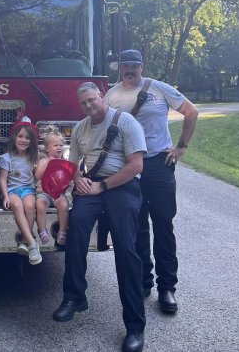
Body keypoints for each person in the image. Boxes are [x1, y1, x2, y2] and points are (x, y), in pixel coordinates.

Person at [52, 82, 148, 352]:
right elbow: (72, 164)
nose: (89, 106)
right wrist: (78, 179)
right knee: (76, 227)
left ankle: (135, 327)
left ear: (102, 97)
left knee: (126, 249)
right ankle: (74, 298)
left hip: (121, 186)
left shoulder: (125, 122)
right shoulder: (81, 127)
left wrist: (103, 186)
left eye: (92, 100)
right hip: (92, 185)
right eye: (84, 103)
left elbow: (136, 165)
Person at [105, 49, 198, 315]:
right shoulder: (111, 95)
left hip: (159, 163)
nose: (130, 70)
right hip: (128, 166)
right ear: (119, 69)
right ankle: (144, 281)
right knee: (136, 227)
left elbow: (191, 113)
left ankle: (167, 287)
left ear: (142, 67)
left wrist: (181, 146)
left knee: (163, 225)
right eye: (125, 66)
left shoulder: (159, 89)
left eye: (135, 65)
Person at [0, 121, 42, 265]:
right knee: (17, 205)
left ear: (32, 141)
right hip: (12, 190)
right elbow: (3, 179)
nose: (23, 140)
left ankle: (24, 241)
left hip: (28, 189)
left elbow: (38, 176)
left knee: (30, 205)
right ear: (14, 138)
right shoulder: (6, 157)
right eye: (20, 136)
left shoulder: (34, 157)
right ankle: (32, 243)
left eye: (27, 138)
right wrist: (5, 196)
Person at [34, 125, 70, 248]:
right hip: (43, 191)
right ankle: (42, 229)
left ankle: (62, 231)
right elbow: (37, 175)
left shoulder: (65, 161)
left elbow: (67, 177)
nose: (59, 147)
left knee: (64, 205)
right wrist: (48, 163)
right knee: (40, 204)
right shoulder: (43, 161)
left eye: (61, 145)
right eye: (55, 145)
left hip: (58, 193)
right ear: (47, 149)